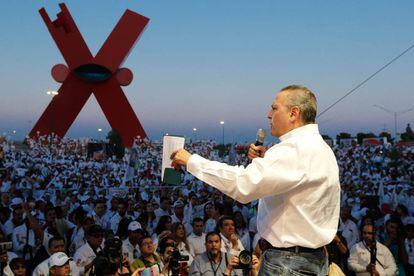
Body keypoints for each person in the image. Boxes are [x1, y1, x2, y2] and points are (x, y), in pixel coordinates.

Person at [172, 85, 340, 275]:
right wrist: (265, 162)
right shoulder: (322, 148)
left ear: (294, 113)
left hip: (288, 263)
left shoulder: (292, 150)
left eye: (275, 108)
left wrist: (191, 161)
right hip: (313, 259)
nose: (269, 114)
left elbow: (243, 184)